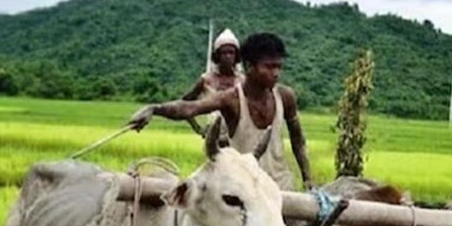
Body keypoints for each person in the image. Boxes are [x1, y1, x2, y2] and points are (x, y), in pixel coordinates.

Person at [127, 32, 313, 192]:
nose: (276, 73)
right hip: (245, 191)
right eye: (269, 67)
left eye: (279, 66)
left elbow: (298, 140)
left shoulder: (285, 96)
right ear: (249, 66)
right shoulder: (230, 99)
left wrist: (308, 179)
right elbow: (190, 107)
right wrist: (153, 109)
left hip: (281, 187)